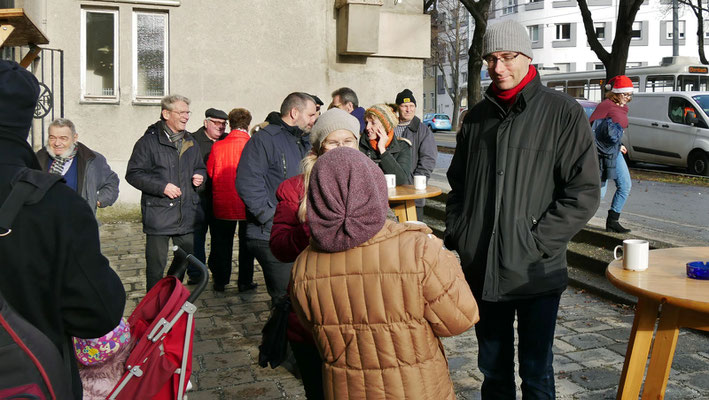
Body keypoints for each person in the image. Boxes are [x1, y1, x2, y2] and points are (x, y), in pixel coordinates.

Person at [444, 20, 600, 399]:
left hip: (535, 272)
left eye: (508, 58)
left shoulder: (562, 113)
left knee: (537, 374)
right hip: (482, 268)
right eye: (491, 59)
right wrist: (460, 233)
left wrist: (537, 242)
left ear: (527, 57)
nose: (499, 68)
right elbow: (459, 186)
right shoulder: (477, 118)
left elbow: (583, 191)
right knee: (493, 373)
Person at [290, 147, 479, 400]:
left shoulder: (303, 266)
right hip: (417, 390)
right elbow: (460, 319)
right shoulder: (419, 250)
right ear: (374, 187)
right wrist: (440, 254)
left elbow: (313, 329)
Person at [0, 59, 126, 399]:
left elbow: (111, 181)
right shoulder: (54, 203)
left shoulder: (87, 163)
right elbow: (98, 312)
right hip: (30, 378)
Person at [269, 108, 361, 399]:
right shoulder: (293, 189)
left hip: (358, 309)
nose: (341, 149)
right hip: (312, 309)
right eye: (334, 143)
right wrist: (311, 228)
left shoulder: (369, 185)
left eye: (349, 141)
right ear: (319, 147)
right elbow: (280, 247)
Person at [236, 92, 317, 303]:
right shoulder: (263, 140)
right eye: (310, 115)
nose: (313, 120)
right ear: (294, 112)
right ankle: (279, 336)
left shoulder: (306, 140)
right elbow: (248, 182)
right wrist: (271, 218)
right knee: (285, 300)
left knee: (301, 298)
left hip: (299, 232)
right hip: (268, 235)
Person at [125, 94, 207, 291]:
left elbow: (200, 167)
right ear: (166, 113)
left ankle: (170, 295)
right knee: (155, 268)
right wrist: (161, 187)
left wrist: (199, 176)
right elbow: (133, 174)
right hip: (159, 216)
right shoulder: (147, 142)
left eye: (188, 112)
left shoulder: (191, 141)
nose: (186, 117)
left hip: (186, 215)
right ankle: (153, 306)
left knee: (185, 261)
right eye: (181, 112)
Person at [206, 108, 257, 292]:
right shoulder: (253, 145)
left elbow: (211, 173)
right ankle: (245, 281)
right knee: (247, 245)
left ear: (230, 123)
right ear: (248, 124)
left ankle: (220, 280)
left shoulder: (218, 146)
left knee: (221, 243)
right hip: (247, 202)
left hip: (223, 201)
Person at [36, 118, 120, 215]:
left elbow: (111, 181)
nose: (57, 143)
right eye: (52, 138)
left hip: (79, 221)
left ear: (74, 138)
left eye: (63, 138)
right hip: (44, 222)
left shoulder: (92, 159)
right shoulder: (37, 159)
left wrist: (98, 200)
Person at [589, 75, 634, 233]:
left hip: (615, 151)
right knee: (600, 191)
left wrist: (619, 144)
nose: (628, 98)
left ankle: (613, 221)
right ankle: (578, 218)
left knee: (625, 185)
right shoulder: (606, 105)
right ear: (616, 93)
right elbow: (593, 128)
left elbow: (612, 131)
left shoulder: (623, 108)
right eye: (625, 94)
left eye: (629, 95)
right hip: (602, 153)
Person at [190, 107, 228, 283]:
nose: (221, 127)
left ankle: (217, 272)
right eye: (217, 123)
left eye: (224, 124)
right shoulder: (193, 140)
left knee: (219, 238)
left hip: (220, 197)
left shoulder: (227, 140)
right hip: (199, 197)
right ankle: (197, 273)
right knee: (197, 236)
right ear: (206, 123)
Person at [394, 89, 437, 219]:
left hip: (412, 195)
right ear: (397, 108)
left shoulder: (423, 131)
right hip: (390, 193)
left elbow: (428, 160)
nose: (409, 109)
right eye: (404, 106)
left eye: (412, 106)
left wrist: (414, 184)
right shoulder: (390, 128)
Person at [359, 103, 412, 185]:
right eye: (366, 123)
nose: (367, 127)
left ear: (386, 125)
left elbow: (401, 180)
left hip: (392, 196)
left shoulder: (402, 146)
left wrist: (382, 150)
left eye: (373, 123)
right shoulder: (360, 146)